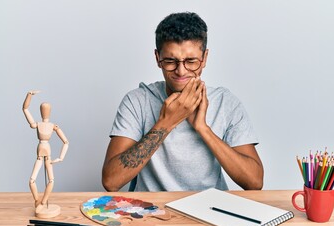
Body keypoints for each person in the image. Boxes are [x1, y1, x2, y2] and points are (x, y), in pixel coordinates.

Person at [102, 12, 263, 192]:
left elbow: (254, 182)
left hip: (210, 208)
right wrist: (166, 123)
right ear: (158, 59)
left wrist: (203, 128)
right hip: (151, 212)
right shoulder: (137, 101)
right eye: (170, 61)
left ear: (204, 59)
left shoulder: (226, 102)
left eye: (191, 61)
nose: (181, 71)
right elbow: (111, 181)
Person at [23, 90, 69, 217]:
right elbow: (25, 109)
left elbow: (65, 141)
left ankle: (43, 201)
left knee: (51, 180)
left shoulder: (53, 126)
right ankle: (37, 200)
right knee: (32, 180)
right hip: (40, 154)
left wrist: (60, 157)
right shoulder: (37, 124)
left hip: (47, 155)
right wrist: (29, 95)